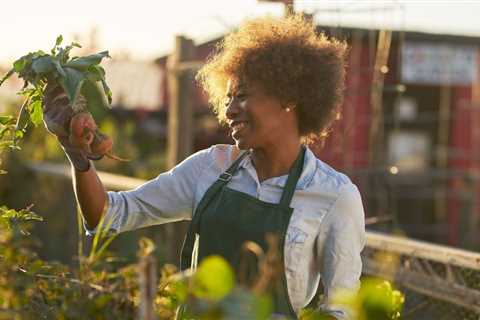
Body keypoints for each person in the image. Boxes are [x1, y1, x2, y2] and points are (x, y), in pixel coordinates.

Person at [43, 14, 365, 319]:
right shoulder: (209, 168)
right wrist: (76, 153)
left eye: (241, 96)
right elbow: (106, 216)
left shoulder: (335, 197)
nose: (230, 111)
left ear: (288, 98)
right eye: (226, 100)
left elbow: (342, 310)